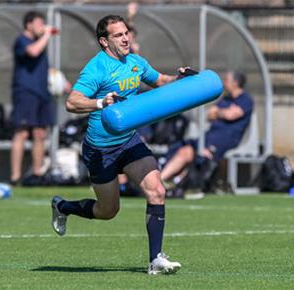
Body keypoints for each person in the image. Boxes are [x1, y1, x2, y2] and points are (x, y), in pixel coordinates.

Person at [50, 15, 190, 275]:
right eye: (118, 35)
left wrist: (179, 78)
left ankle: (155, 260)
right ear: (104, 41)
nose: (126, 38)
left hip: (128, 141)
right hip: (100, 149)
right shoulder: (96, 68)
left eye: (126, 33)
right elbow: (72, 102)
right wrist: (101, 103)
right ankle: (63, 207)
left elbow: (159, 81)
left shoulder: (135, 62)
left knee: (157, 191)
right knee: (108, 211)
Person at [160, 70, 254, 186]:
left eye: (226, 80)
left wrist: (220, 112)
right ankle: (161, 181)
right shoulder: (225, 99)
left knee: (203, 154)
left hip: (226, 140)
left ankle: (185, 183)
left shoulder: (245, 99)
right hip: (209, 136)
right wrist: (223, 112)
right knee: (185, 150)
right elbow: (210, 115)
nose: (224, 82)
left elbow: (231, 115)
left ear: (235, 83)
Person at [10, 11, 70, 185]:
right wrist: (46, 35)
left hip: (42, 93)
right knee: (21, 132)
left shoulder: (40, 42)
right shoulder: (22, 40)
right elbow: (33, 52)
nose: (41, 27)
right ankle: (15, 176)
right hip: (25, 92)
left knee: (40, 133)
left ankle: (37, 174)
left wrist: (62, 83)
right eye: (38, 23)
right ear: (28, 24)